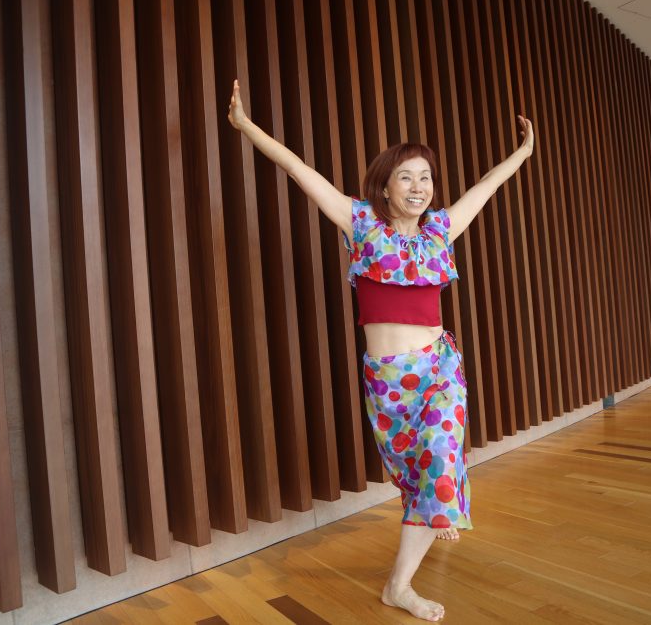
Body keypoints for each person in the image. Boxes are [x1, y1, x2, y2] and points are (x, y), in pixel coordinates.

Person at [228, 79, 534, 622]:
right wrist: (247, 126)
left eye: (426, 177)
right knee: (416, 473)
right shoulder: (361, 223)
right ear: (386, 187)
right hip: (390, 379)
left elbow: (486, 187)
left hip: (440, 367)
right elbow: (299, 171)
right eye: (406, 177)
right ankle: (435, 509)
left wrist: (523, 154)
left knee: (441, 459)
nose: (419, 187)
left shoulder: (440, 230)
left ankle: (401, 583)